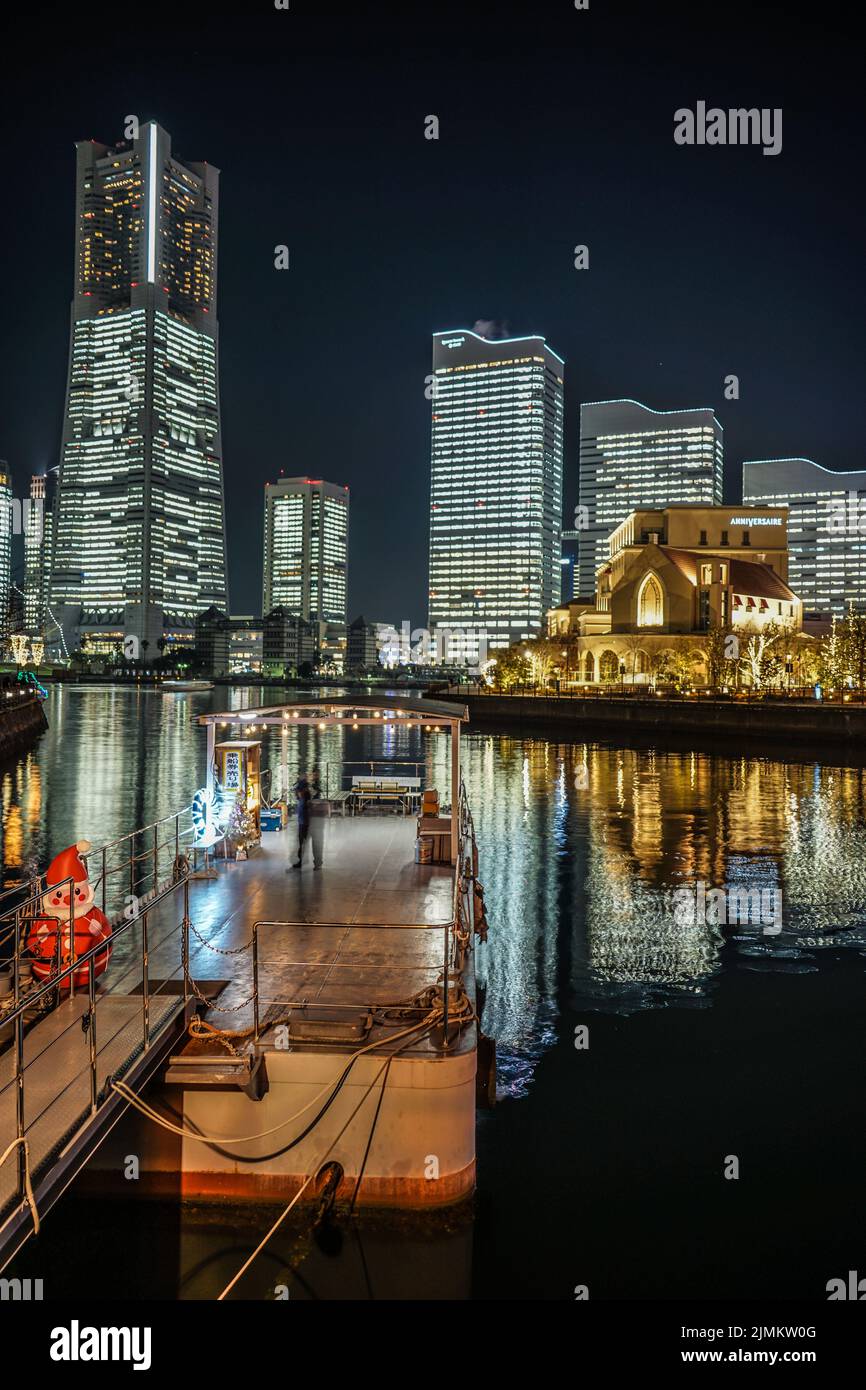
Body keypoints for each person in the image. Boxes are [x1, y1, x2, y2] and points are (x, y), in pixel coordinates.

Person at [291, 776, 311, 869]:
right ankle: (301, 860)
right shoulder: (303, 799)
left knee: (301, 842)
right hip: (302, 823)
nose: (296, 793)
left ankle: (301, 861)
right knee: (301, 842)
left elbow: (305, 813)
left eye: (298, 791)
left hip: (304, 824)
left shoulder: (304, 801)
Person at [308, 766, 326, 869]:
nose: (314, 776)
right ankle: (317, 862)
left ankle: (318, 862)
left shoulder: (316, 786)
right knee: (317, 841)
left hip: (316, 818)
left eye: (315, 774)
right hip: (316, 818)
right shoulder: (314, 785)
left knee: (316, 841)